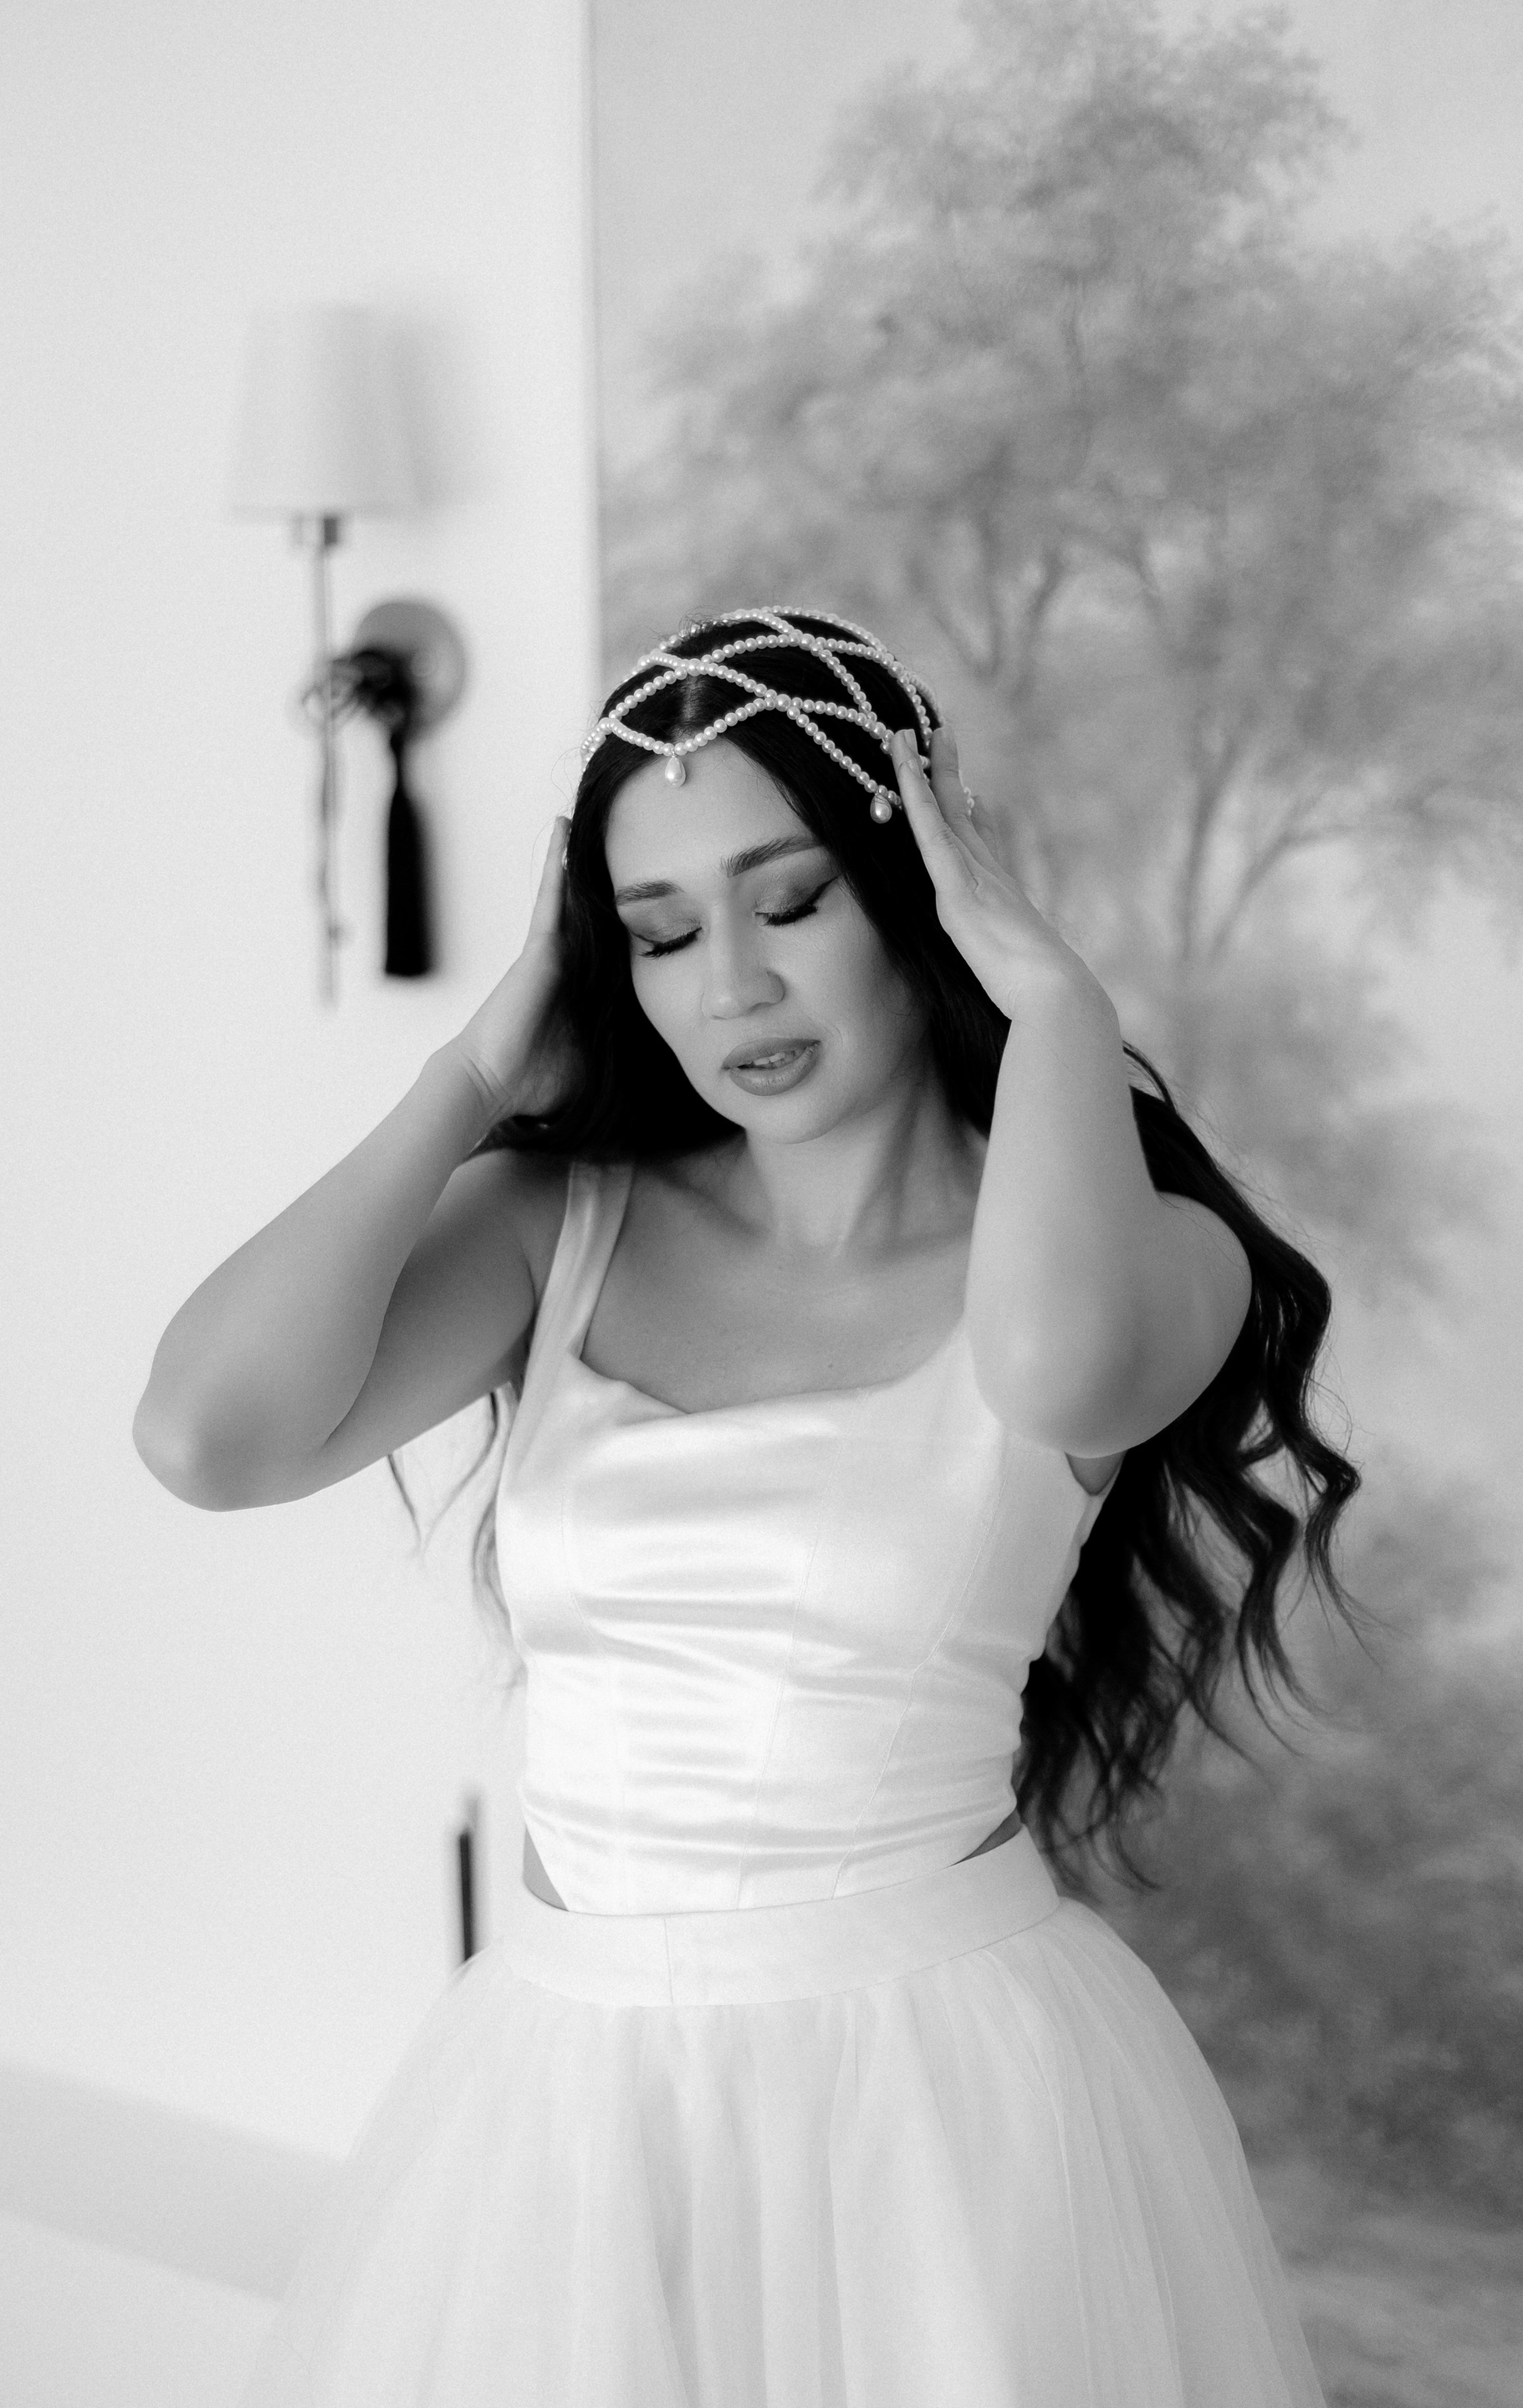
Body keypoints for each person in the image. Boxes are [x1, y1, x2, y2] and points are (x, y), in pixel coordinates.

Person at [134, 606, 1358, 2405]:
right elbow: (206, 1438)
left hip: (937, 2104)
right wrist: (465, 1083)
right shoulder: (561, 1226)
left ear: (919, 894)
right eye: (659, 932)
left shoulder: (1136, 1256)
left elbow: (1051, 1370)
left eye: (790, 904)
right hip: (567, 2095)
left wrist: (1059, 1011)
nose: (731, 991)